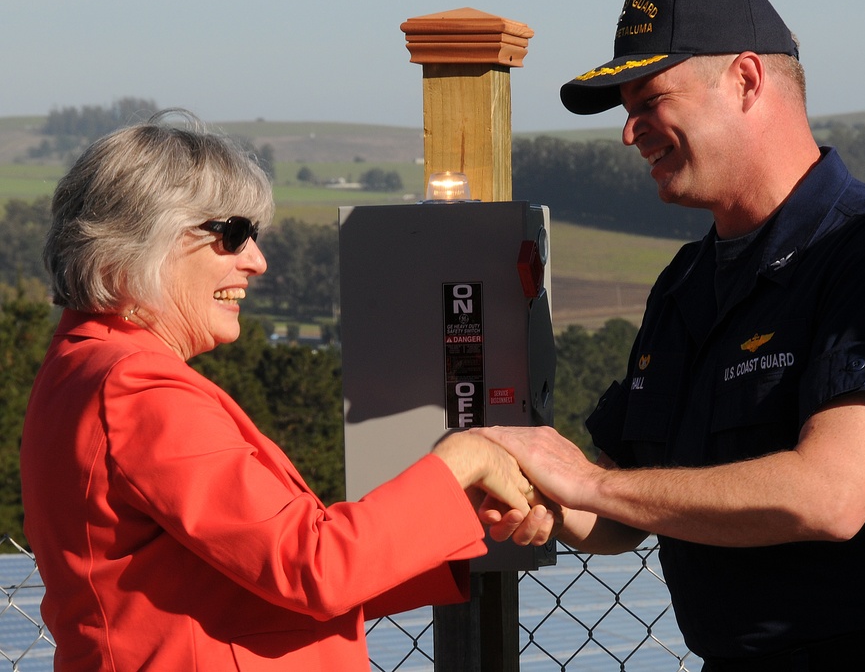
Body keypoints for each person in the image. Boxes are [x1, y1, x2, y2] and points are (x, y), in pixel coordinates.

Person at [480, 0, 865, 671]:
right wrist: (534, 487)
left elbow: (831, 497)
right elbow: (619, 507)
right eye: (623, 109)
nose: (630, 134)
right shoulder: (687, 284)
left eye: (650, 99)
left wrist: (591, 485)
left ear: (748, 80)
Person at [19, 111, 550, 671]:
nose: (257, 260)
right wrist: (461, 459)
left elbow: (250, 585)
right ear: (140, 240)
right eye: (232, 234)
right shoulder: (137, 388)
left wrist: (458, 513)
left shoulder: (88, 369)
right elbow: (311, 567)